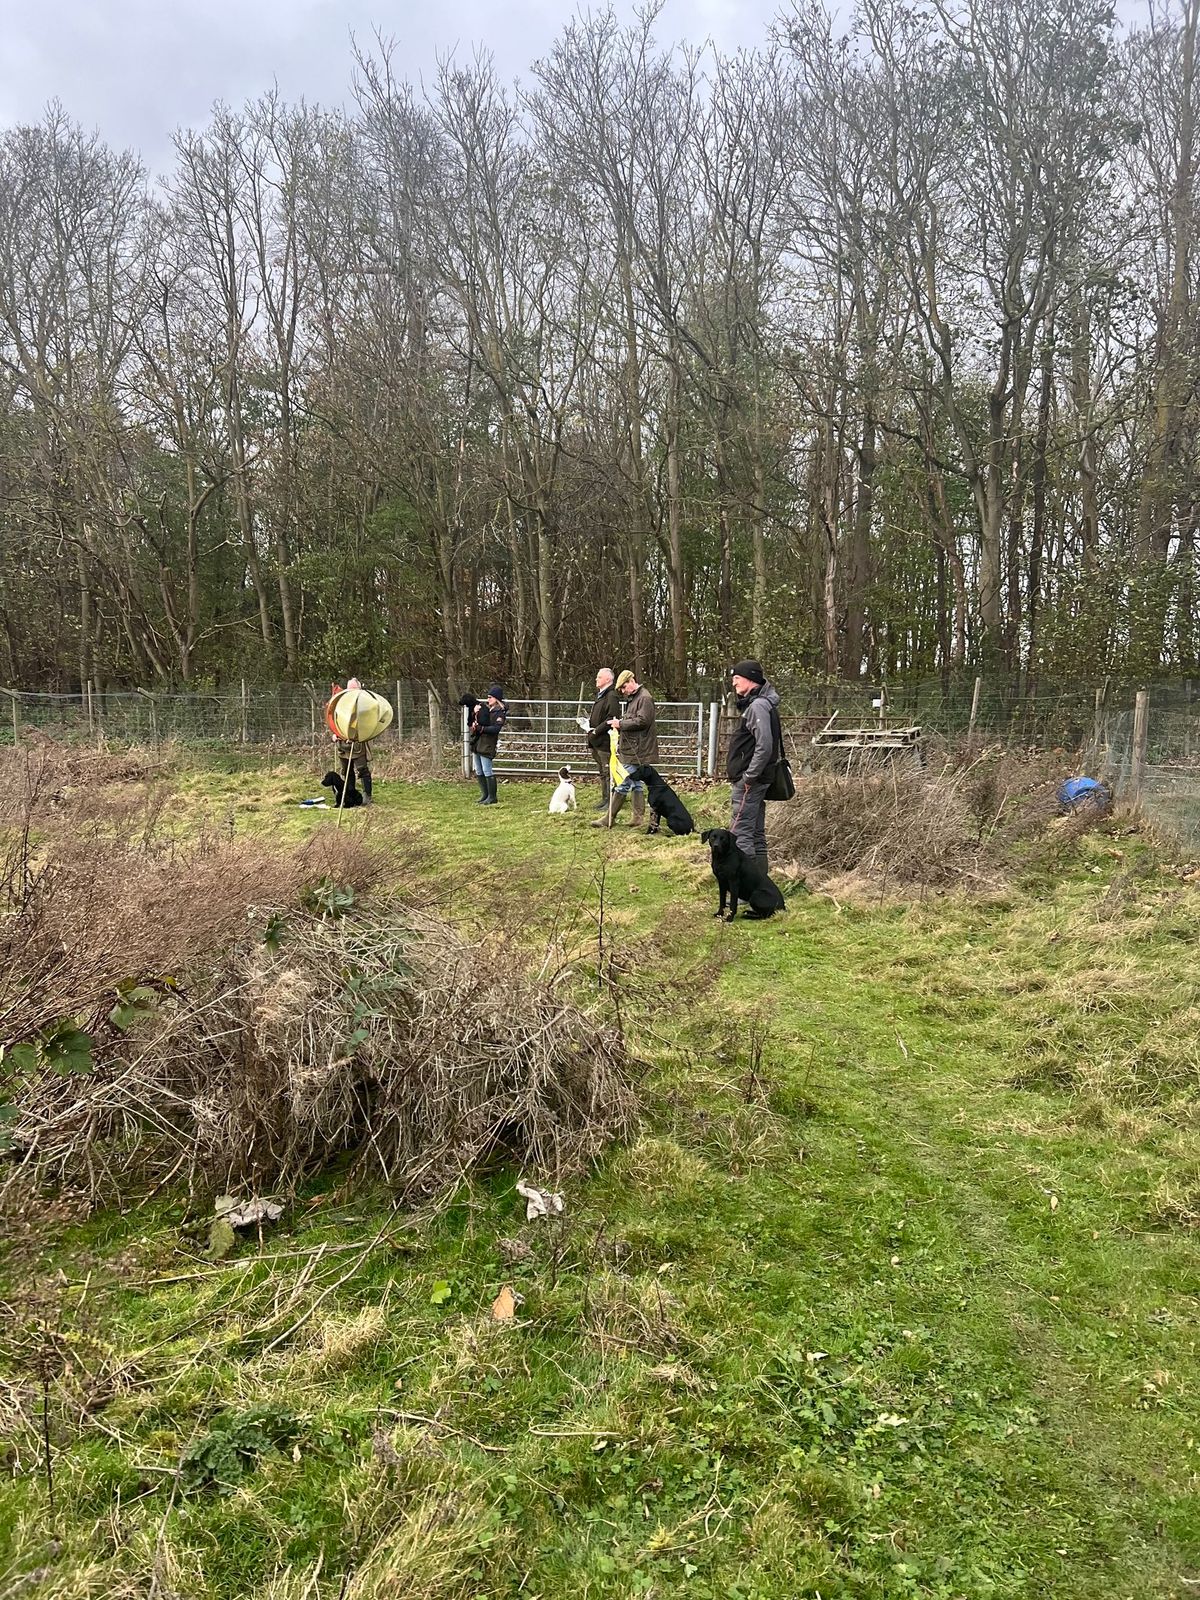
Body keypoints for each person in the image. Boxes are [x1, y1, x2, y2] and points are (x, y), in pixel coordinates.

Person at [726, 659, 781, 874]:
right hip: (758, 780)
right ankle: (761, 885)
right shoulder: (763, 703)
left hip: (750, 782)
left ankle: (745, 891)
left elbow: (764, 746)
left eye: (737, 679)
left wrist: (749, 776)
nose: (734, 684)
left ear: (750, 679)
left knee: (740, 835)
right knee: (756, 833)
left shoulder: (757, 706)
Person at [592, 668, 657, 828]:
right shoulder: (635, 698)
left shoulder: (644, 698)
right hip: (633, 747)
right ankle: (637, 818)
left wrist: (620, 724)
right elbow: (634, 719)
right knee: (636, 783)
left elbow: (643, 721)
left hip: (639, 749)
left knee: (622, 782)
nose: (622, 691)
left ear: (631, 681)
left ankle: (609, 818)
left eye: (623, 687)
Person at [328, 676, 374, 806]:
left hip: (358, 743)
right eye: (350, 689)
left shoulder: (366, 705)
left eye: (355, 689)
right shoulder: (341, 703)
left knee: (362, 770)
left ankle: (367, 797)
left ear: (360, 689)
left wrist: (355, 736)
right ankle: (349, 796)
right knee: (346, 772)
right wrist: (335, 735)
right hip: (342, 744)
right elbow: (336, 721)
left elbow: (367, 724)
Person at [586, 666, 620, 811]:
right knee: (602, 772)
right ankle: (605, 798)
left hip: (604, 741)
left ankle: (612, 800)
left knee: (608, 772)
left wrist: (596, 731)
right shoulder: (601, 695)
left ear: (608, 679)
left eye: (599, 677)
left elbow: (611, 717)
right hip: (596, 740)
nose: (596, 679)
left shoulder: (611, 696)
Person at [469, 685, 508, 805]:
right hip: (478, 742)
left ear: (496, 699)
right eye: (488, 697)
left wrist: (481, 728)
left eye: (490, 697)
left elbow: (495, 729)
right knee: (479, 771)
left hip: (487, 744)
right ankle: (485, 795)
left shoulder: (499, 713)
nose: (488, 700)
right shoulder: (486, 710)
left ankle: (492, 797)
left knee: (487, 770)